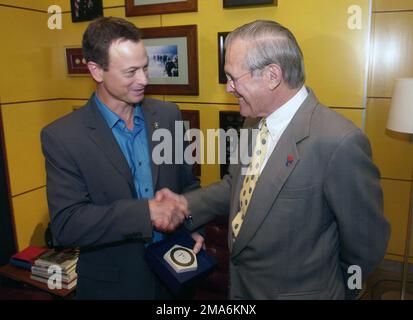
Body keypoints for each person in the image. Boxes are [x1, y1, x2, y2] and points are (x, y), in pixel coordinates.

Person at [156, 20, 390, 299]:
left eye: (232, 77)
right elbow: (239, 187)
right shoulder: (252, 121)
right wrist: (184, 204)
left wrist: (342, 292)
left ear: (271, 76)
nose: (228, 88)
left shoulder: (338, 142)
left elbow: (365, 244)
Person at [41, 17, 203, 299]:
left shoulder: (168, 116)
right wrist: (146, 212)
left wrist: (193, 224)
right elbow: (67, 225)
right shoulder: (62, 137)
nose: (144, 79)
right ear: (96, 71)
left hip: (175, 278)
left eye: (145, 67)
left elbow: (188, 184)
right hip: (112, 288)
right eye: (131, 72)